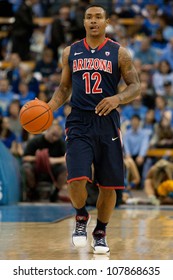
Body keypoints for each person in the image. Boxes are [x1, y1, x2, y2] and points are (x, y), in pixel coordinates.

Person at [47, 4, 141, 255]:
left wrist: (117, 99)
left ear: (106, 21)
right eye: (89, 17)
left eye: (98, 17)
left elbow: (135, 86)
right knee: (75, 178)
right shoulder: (71, 52)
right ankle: (80, 217)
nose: (93, 21)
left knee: (108, 186)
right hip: (78, 120)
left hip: (107, 121)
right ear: (84, 22)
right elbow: (64, 89)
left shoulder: (119, 53)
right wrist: (49, 107)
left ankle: (100, 232)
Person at [22, 121, 67, 202]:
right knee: (26, 168)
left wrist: (52, 160)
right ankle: (33, 191)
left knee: (65, 169)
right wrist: (38, 158)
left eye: (57, 136)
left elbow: (66, 157)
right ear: (48, 130)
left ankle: (56, 193)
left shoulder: (60, 143)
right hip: (36, 167)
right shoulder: (35, 141)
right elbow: (25, 157)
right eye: (53, 135)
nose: (54, 138)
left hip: (53, 168)